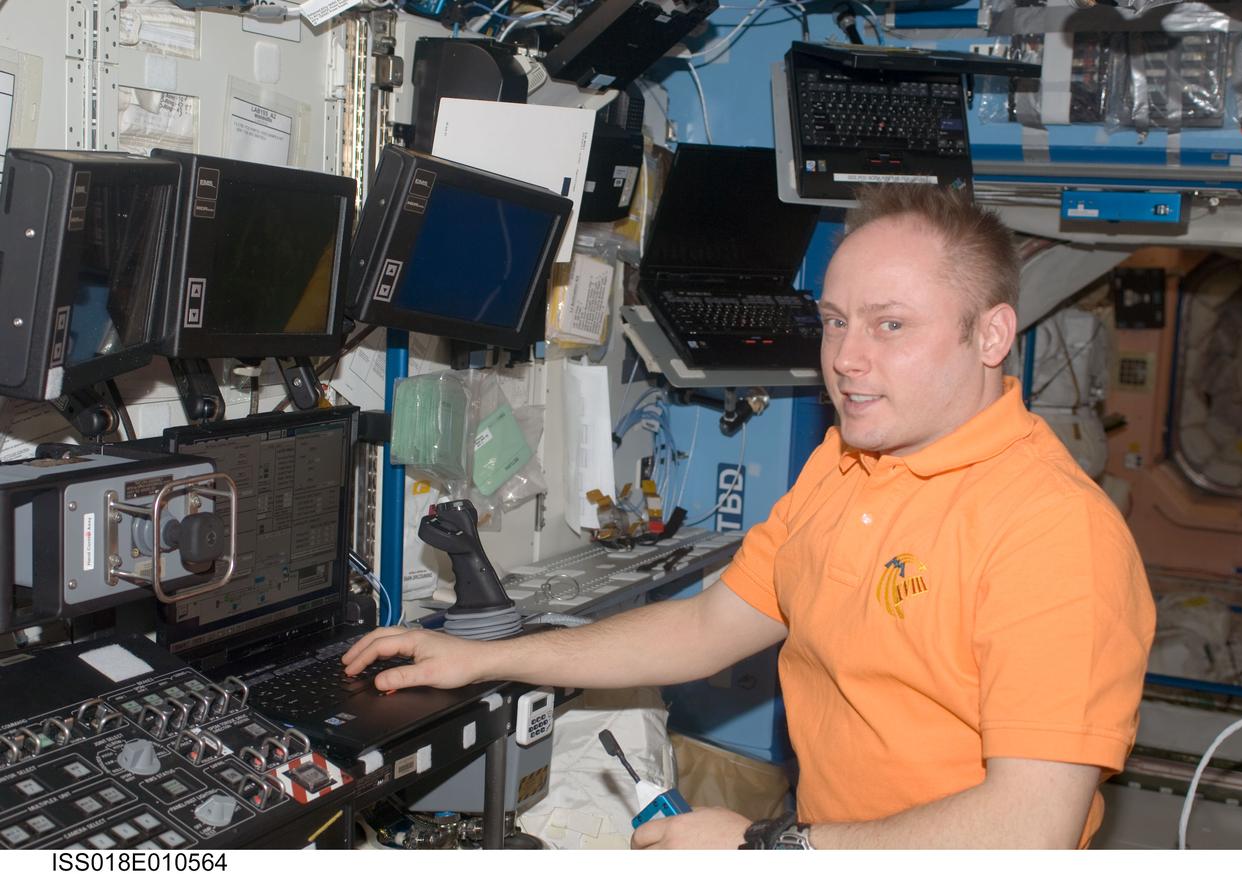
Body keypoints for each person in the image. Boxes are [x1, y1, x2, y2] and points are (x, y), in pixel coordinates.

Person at [343, 184, 1156, 849]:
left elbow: (1031, 825)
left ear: (992, 335)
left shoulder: (1053, 533)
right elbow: (708, 628)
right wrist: (488, 659)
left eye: (890, 325)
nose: (846, 358)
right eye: (835, 321)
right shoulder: (847, 465)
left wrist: (772, 849)